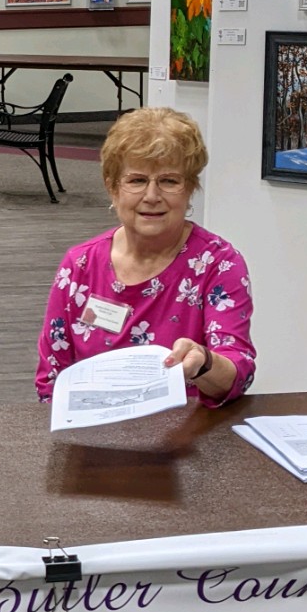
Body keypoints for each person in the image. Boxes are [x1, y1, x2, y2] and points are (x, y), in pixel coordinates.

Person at [36, 108, 255, 405]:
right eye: (137, 180)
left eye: (169, 181)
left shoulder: (219, 264)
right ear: (112, 187)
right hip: (93, 426)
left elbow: (238, 374)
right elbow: (52, 378)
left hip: (187, 429)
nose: (152, 196)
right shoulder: (80, 266)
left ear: (190, 188)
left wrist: (204, 362)